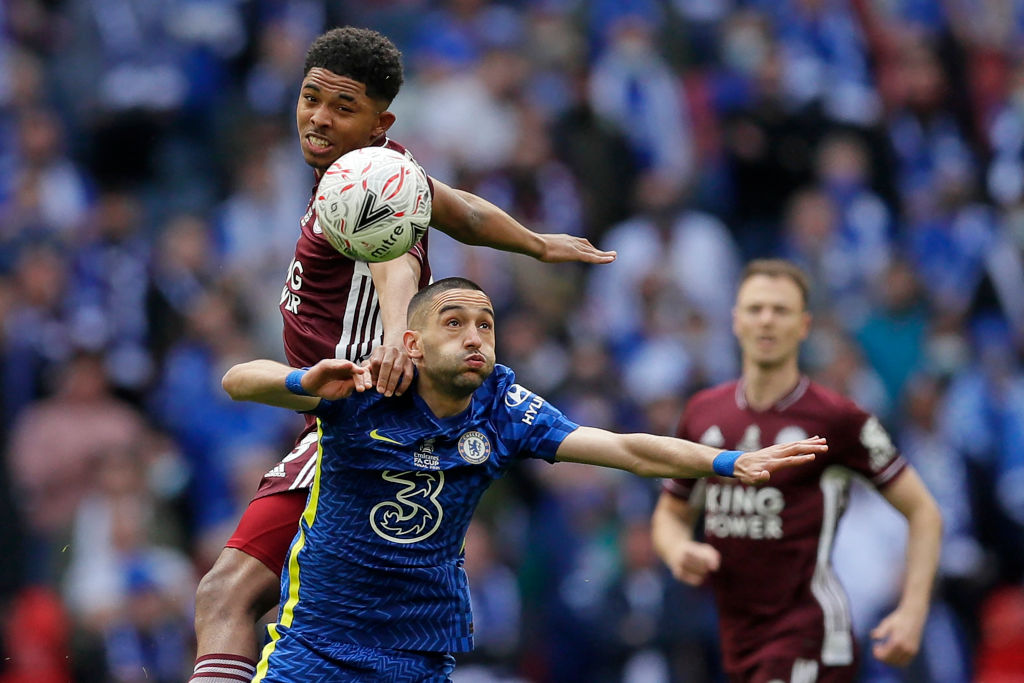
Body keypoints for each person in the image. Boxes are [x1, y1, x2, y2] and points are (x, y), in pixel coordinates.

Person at [189, 27, 617, 683]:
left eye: (343, 107)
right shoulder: (389, 168)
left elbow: (393, 263)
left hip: (358, 413)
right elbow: (463, 212)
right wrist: (536, 243)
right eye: (311, 98)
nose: (319, 118)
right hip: (350, 415)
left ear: (379, 121)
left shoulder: (369, 183)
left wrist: (395, 335)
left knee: (230, 592)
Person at [219, 277, 829, 681]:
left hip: (417, 651)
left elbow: (623, 448)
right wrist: (302, 381)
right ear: (413, 343)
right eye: (453, 324)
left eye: (484, 324)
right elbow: (238, 381)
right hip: (318, 644)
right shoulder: (362, 390)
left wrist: (725, 463)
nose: (474, 337)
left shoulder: (505, 409)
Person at [650, 259, 943, 683]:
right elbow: (671, 512)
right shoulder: (702, 413)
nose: (766, 320)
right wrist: (678, 549)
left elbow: (924, 512)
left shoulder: (838, 418)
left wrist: (913, 612)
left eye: (781, 310)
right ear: (735, 321)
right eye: (755, 308)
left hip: (811, 633)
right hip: (739, 637)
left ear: (804, 325)